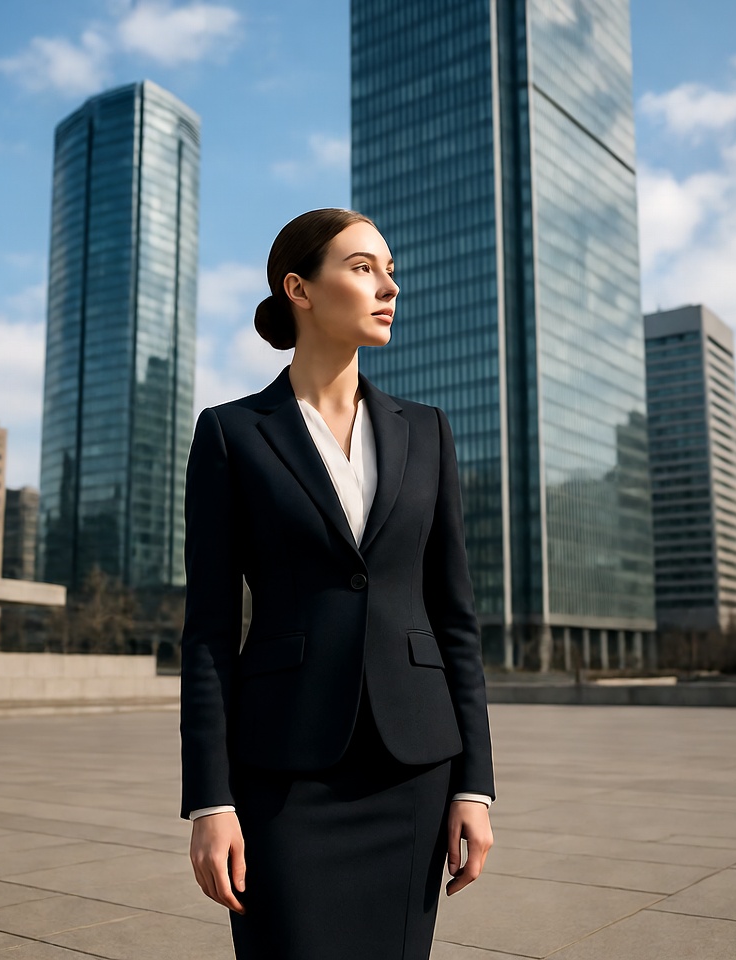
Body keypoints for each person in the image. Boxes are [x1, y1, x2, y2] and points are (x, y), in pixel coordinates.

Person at [180, 208, 495, 960]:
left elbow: (455, 618)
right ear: (300, 288)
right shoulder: (231, 433)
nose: (390, 285)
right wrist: (210, 800)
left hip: (414, 771)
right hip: (282, 776)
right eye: (363, 267)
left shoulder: (428, 431)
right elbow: (210, 631)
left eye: (389, 269)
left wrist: (474, 787)